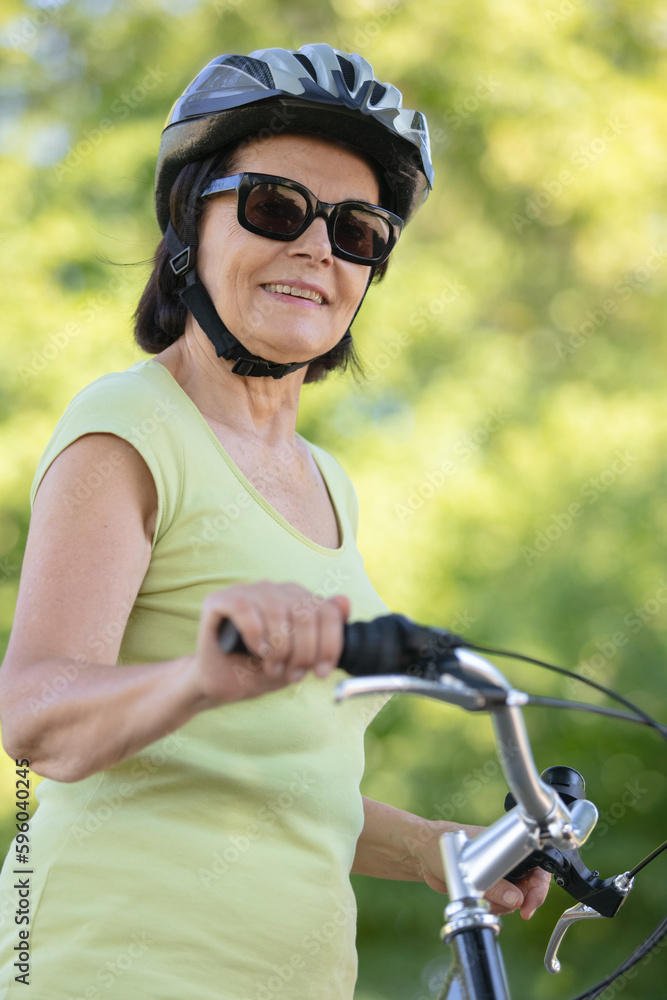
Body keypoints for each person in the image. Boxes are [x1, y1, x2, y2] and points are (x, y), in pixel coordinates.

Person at [0, 44, 549, 1000]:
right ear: (189, 223)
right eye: (275, 208)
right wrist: (199, 678)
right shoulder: (130, 427)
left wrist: (429, 849)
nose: (315, 249)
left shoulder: (326, 481)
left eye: (357, 230)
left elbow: (279, 779)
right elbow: (36, 716)